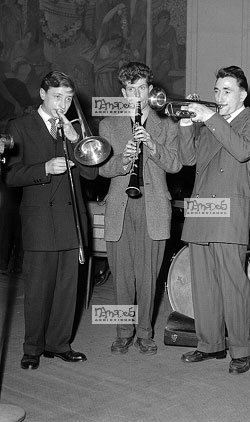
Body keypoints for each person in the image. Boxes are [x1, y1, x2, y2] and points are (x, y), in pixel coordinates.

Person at [178, 65, 250, 374]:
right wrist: (188, 124)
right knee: (204, 285)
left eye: (226, 91)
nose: (219, 96)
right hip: (202, 210)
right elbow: (189, 159)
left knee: (234, 285)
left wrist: (209, 117)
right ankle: (210, 344)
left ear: (243, 94)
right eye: (216, 90)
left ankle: (241, 349)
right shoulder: (209, 124)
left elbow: (242, 151)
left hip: (229, 210)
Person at [5, 71, 98, 370]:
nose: (64, 103)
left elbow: (92, 174)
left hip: (71, 219)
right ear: (42, 94)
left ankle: (59, 344)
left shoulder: (76, 129)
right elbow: (10, 175)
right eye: (58, 96)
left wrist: (75, 139)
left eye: (69, 98)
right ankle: (32, 348)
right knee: (38, 289)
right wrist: (44, 167)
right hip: (39, 220)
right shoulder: (20, 126)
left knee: (66, 288)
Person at [99, 62, 182, 356]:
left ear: (150, 89)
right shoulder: (108, 125)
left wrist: (153, 146)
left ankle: (145, 333)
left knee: (149, 276)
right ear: (124, 93)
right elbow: (103, 170)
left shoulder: (167, 124)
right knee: (121, 275)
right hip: (120, 206)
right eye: (131, 90)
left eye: (142, 88)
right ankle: (124, 332)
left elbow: (175, 164)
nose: (137, 94)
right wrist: (124, 158)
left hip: (154, 204)